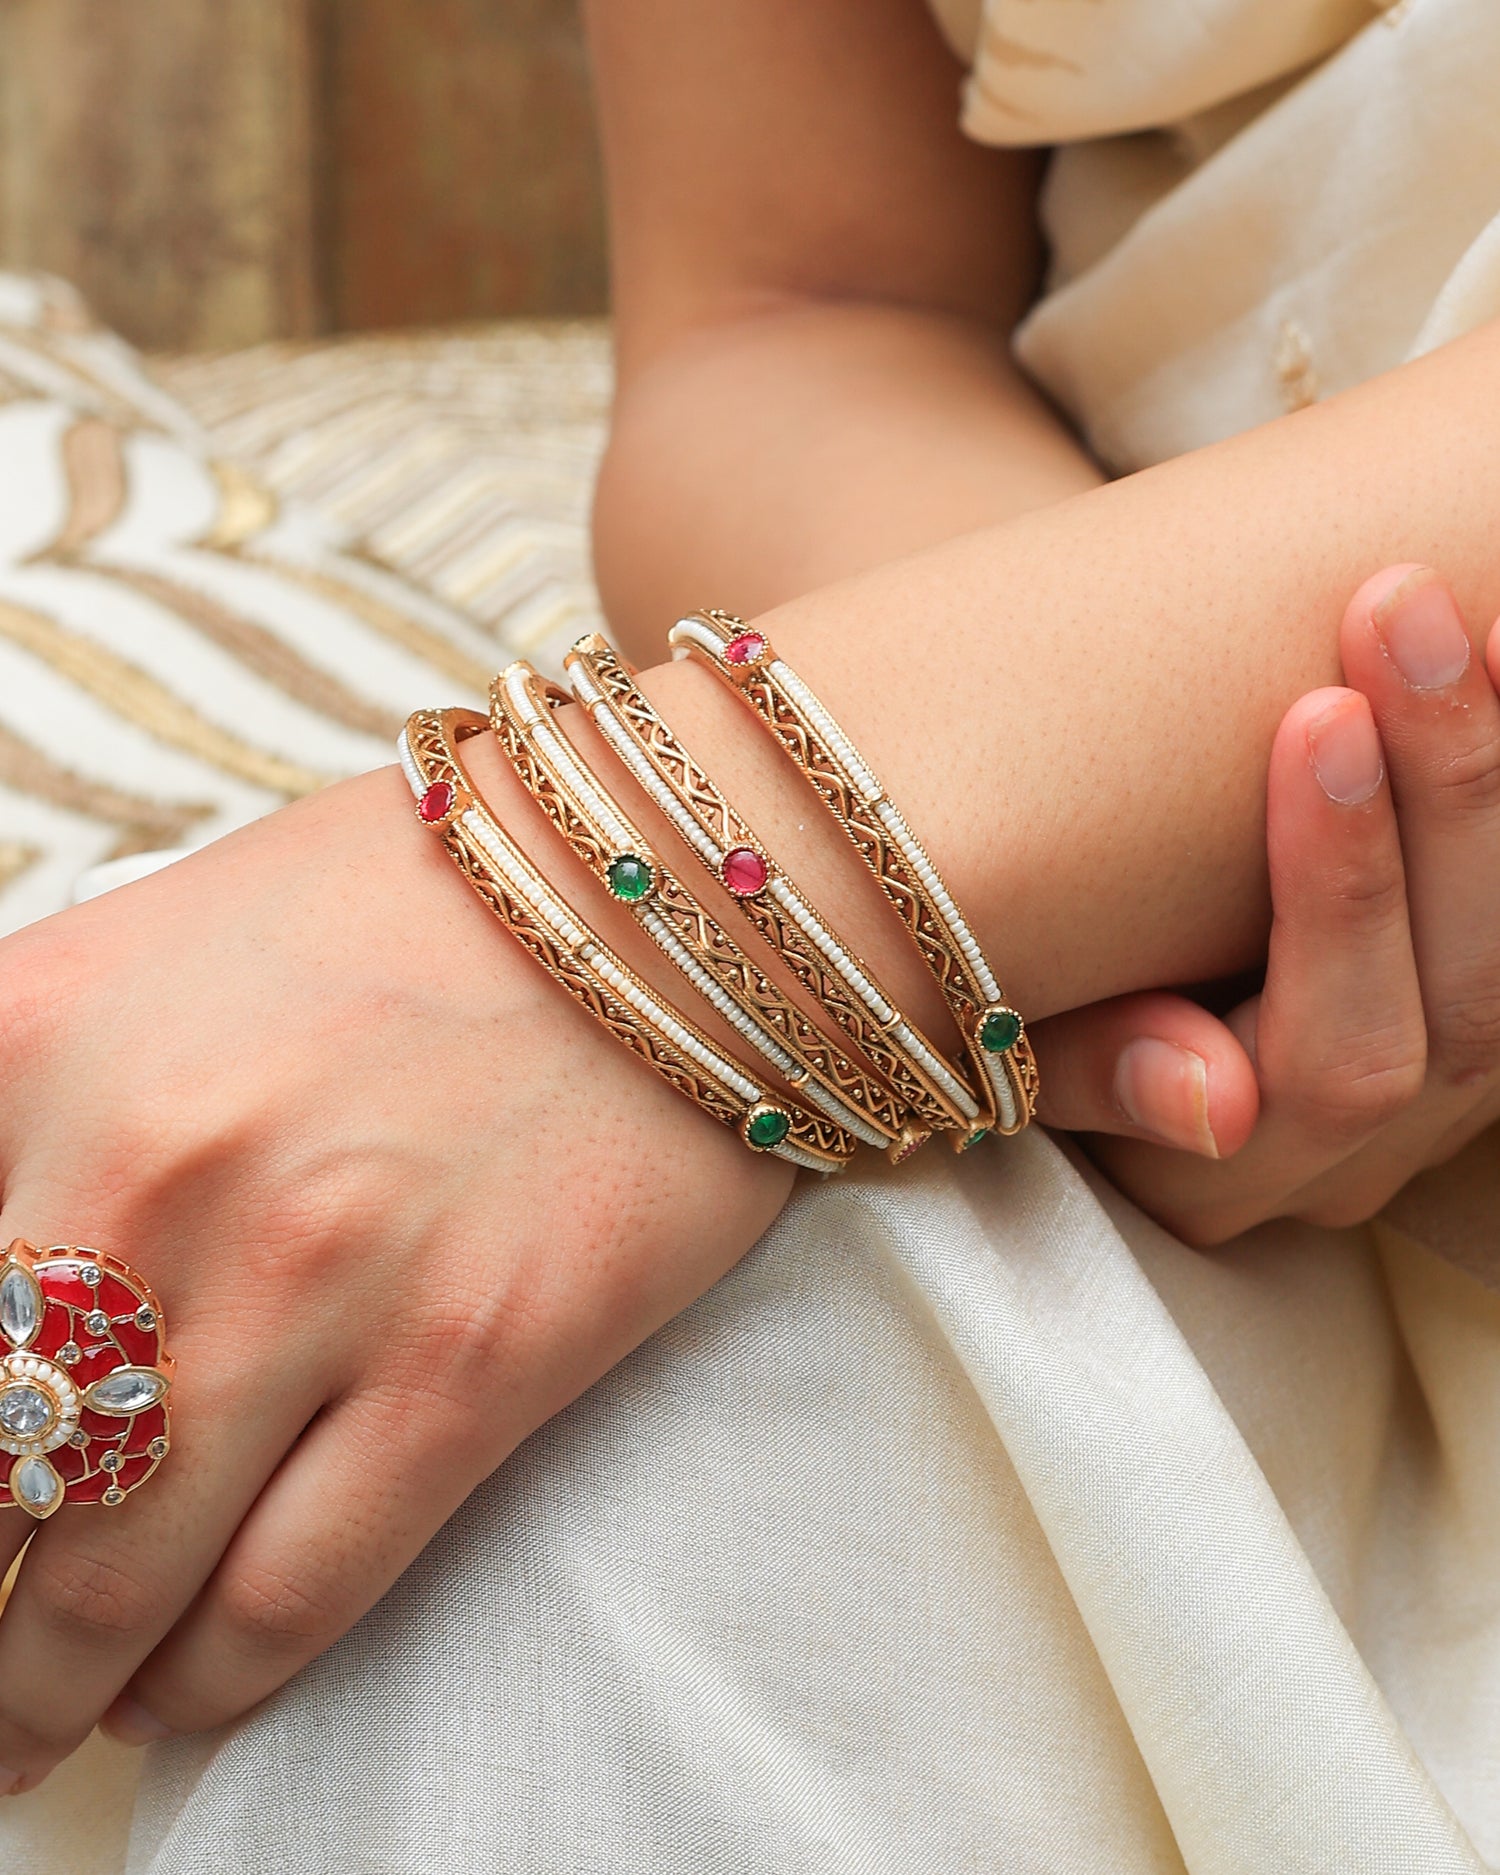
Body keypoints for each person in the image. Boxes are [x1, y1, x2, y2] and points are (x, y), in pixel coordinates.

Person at [2, 0, 1498, 1867]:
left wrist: (607, 899)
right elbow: (806, 312)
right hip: (1116, 943)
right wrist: (1109, 860)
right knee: (462, 1465)